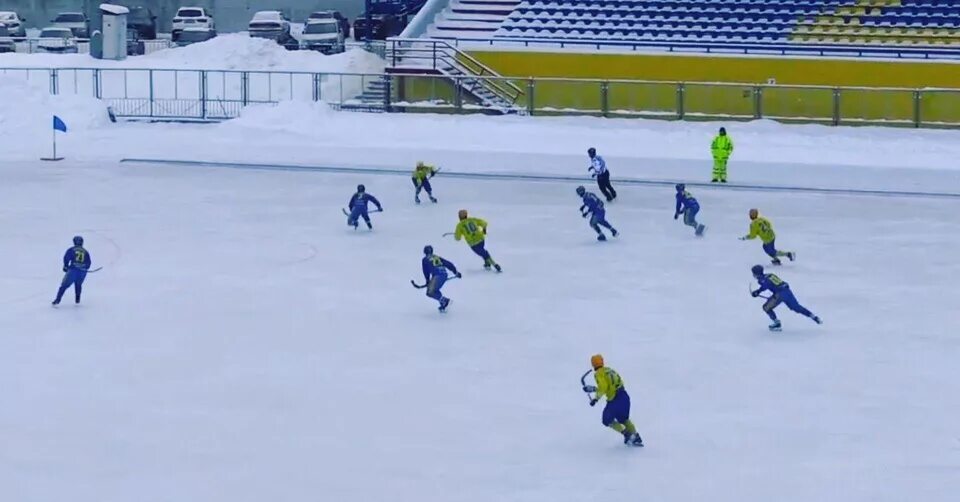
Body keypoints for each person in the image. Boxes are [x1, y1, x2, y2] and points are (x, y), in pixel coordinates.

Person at [584, 354, 643, 447]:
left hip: (615, 399)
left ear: (593, 364)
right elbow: (609, 385)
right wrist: (594, 389)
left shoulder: (599, 373)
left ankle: (626, 434)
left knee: (606, 420)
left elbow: (603, 387)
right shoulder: (609, 370)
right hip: (624, 396)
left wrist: (596, 398)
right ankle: (636, 436)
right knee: (624, 419)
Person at [750, 265, 822, 331]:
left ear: (756, 274)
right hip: (787, 291)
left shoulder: (761, 279)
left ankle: (777, 324)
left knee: (766, 307)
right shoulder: (770, 275)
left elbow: (765, 285)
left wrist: (757, 292)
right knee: (796, 307)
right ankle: (814, 317)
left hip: (779, 294)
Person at [53, 235, 91, 306]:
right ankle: (77, 299)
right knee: (78, 284)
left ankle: (57, 300)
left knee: (64, 285)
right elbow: (88, 263)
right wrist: (84, 267)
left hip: (73, 270)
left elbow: (66, 258)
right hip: (82, 272)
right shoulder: (85, 252)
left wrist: (65, 266)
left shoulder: (71, 249)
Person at [421, 245, 460, 313]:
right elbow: (448, 264)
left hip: (437, 276)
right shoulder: (437, 257)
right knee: (435, 290)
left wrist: (427, 280)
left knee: (429, 292)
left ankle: (445, 301)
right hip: (444, 274)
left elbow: (425, 271)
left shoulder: (425, 259)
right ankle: (443, 303)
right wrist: (455, 272)